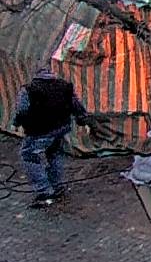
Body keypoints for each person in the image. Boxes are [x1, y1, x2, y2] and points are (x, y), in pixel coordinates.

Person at [14, 70, 92, 208]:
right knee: (55, 154)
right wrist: (83, 121)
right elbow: (77, 105)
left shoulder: (29, 89)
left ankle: (44, 190)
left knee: (29, 156)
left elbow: (22, 109)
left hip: (39, 130)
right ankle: (56, 186)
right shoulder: (65, 86)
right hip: (61, 129)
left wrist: (16, 123)